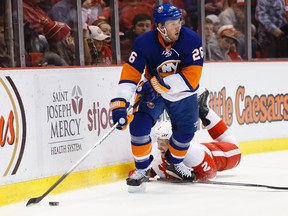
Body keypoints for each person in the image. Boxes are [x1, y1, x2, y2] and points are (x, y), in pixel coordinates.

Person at [109, 3, 204, 190]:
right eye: (172, 23)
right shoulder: (144, 43)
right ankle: (143, 169)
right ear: (160, 26)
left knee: (185, 133)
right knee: (138, 125)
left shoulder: (191, 39)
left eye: (179, 21)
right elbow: (130, 74)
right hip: (155, 91)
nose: (178, 26)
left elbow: (192, 79)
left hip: (182, 92)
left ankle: (174, 163)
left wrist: (156, 84)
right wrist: (121, 103)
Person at [129, 89, 241, 181]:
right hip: (197, 151)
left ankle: (204, 110)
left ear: (173, 141)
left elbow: (210, 174)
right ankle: (203, 109)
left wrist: (191, 177)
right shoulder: (155, 153)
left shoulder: (194, 153)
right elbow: (149, 171)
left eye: (163, 143)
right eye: (159, 142)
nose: (159, 147)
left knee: (235, 147)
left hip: (217, 154)